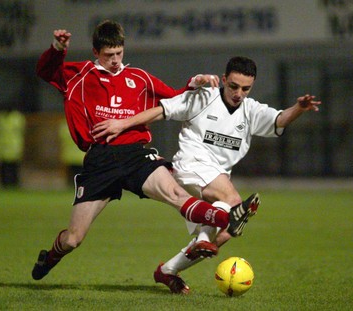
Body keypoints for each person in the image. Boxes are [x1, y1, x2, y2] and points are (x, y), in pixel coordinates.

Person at [31, 21, 257, 282]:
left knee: (175, 193)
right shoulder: (79, 76)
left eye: (119, 53)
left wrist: (196, 82)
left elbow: (175, 98)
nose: (115, 60)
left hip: (135, 155)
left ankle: (228, 216)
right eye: (108, 55)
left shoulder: (138, 77)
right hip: (100, 161)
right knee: (73, 239)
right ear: (95, 52)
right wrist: (58, 49)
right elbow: (45, 71)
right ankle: (49, 257)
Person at [92, 56, 322, 294]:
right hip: (190, 166)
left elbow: (279, 120)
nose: (238, 93)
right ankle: (213, 228)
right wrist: (122, 124)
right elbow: (161, 111)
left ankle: (169, 270)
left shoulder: (251, 110)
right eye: (233, 86)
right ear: (224, 80)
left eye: (245, 88)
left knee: (222, 236)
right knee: (234, 203)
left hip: (217, 177)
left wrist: (299, 109)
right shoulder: (203, 97)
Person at [0, 106, 26, 188]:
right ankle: (4, 184)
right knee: (3, 167)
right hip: (2, 146)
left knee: (14, 167)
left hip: (14, 146)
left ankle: (14, 183)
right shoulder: (0, 118)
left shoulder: (17, 117)